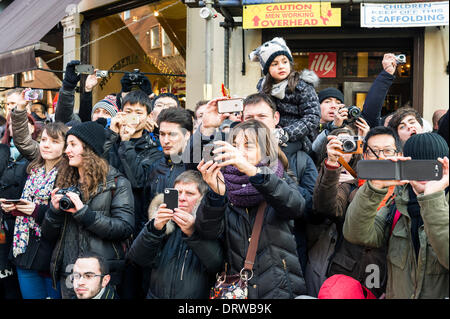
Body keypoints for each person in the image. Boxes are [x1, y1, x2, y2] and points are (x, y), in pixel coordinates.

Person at [196, 119, 307, 299]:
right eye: (234, 146)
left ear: (265, 150)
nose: (239, 152)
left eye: (248, 146)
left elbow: (296, 207)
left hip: (278, 285)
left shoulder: (278, 176)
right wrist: (215, 196)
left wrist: (254, 172)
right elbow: (207, 232)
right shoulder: (224, 181)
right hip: (238, 288)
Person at [343, 132, 449, 299]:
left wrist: (432, 198)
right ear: (404, 165)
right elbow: (355, 233)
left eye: (432, 167)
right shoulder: (397, 205)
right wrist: (374, 188)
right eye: (415, 166)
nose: (422, 174)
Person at [41, 121, 135, 299]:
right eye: (67, 145)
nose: (66, 150)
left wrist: (84, 213)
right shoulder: (65, 181)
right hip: (69, 272)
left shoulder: (117, 183)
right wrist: (54, 212)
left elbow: (124, 228)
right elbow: (48, 234)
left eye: (73, 145)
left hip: (98, 275)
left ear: (89, 148)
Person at [305, 126, 393, 298]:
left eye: (388, 151)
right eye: (374, 151)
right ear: (365, 155)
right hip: (347, 274)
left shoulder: (404, 191)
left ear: (398, 153)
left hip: (388, 277)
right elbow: (325, 207)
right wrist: (332, 164)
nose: (381, 156)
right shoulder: (351, 185)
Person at [241, 92, 318, 271]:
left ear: (276, 118)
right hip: (241, 255)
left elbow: (312, 211)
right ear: (241, 120)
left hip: (286, 258)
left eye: (262, 116)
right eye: (249, 117)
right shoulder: (231, 157)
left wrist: (281, 183)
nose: (256, 122)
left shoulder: (300, 158)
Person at [127, 170, 223, 298]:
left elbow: (216, 264)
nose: (182, 198)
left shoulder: (210, 225)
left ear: (202, 199)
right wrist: (155, 229)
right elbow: (137, 259)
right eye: (177, 193)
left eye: (189, 193)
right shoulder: (163, 223)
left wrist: (192, 232)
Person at [0, 121, 68, 299]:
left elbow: (66, 218)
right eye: (44, 139)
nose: (46, 145)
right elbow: (24, 205)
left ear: (66, 146)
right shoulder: (31, 169)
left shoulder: (69, 174)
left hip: (51, 254)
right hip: (24, 249)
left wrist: (35, 210)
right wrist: (12, 208)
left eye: (54, 141)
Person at [312, 53, 400, 161]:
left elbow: (372, 107)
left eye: (338, 102)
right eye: (327, 101)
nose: (333, 106)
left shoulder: (353, 127)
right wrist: (334, 126)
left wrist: (366, 138)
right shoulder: (308, 128)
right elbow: (314, 152)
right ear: (317, 106)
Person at [250, 37, 320, 155]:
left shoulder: (303, 86)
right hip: (269, 136)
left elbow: (312, 117)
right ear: (267, 69)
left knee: (280, 154)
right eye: (274, 64)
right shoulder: (263, 89)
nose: (281, 66)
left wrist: (286, 134)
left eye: (285, 61)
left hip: (300, 140)